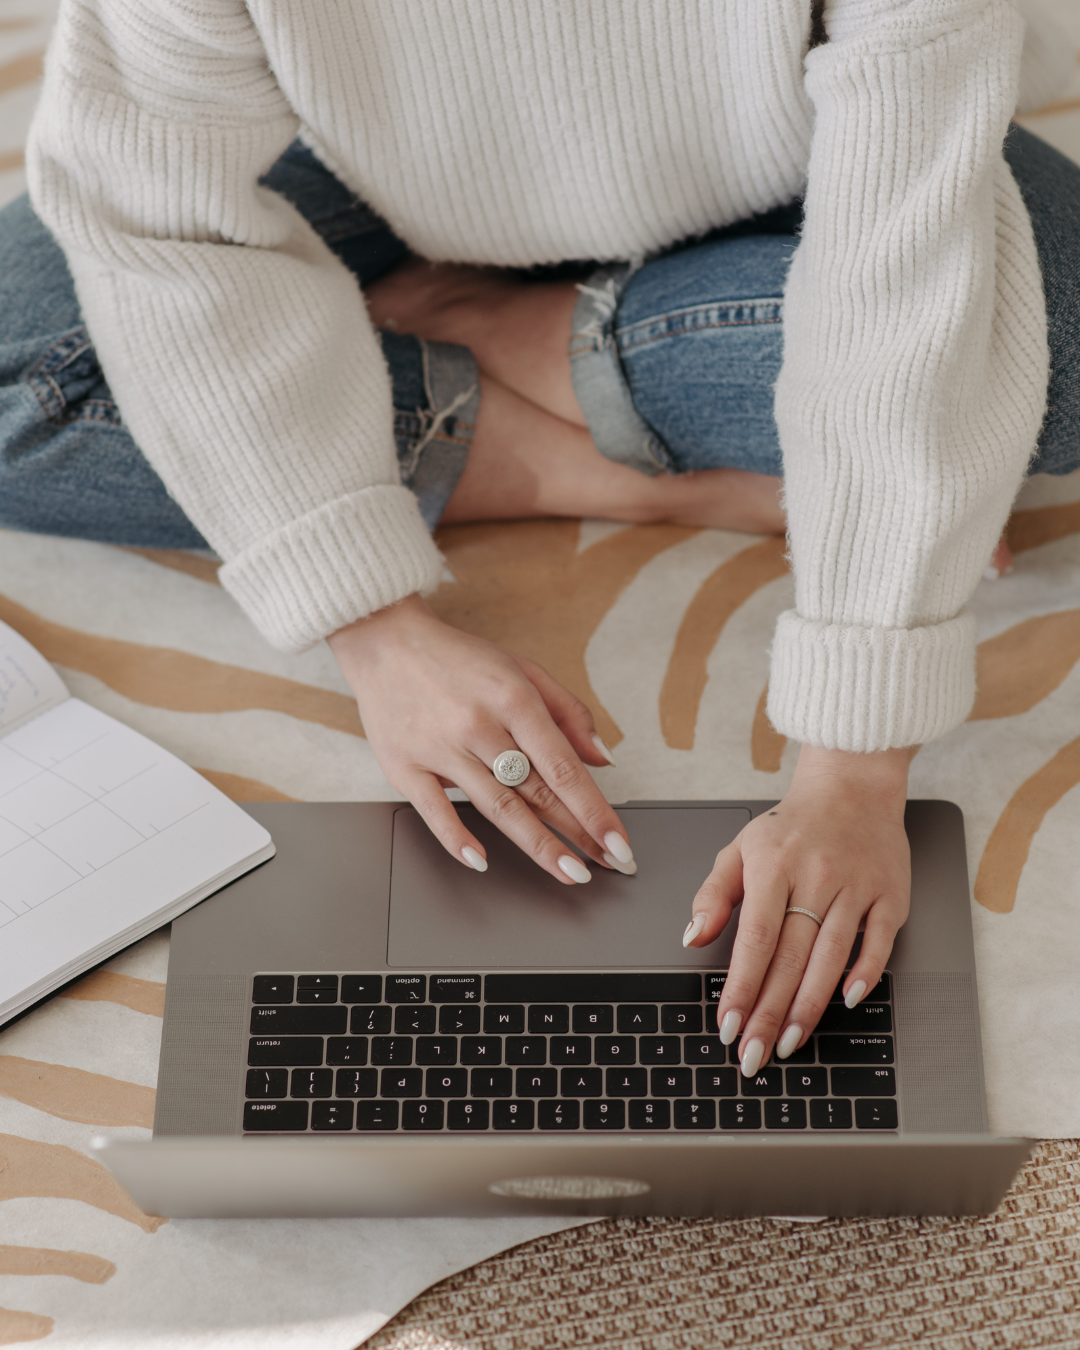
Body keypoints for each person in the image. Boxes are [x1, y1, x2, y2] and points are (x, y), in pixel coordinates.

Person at [3, 0, 1078, 1081]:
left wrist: (850, 777)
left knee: (1058, 352)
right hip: (363, 164)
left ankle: (475, 335)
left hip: (807, 145)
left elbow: (901, 265)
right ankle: (629, 463)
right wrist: (375, 630)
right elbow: (146, 213)